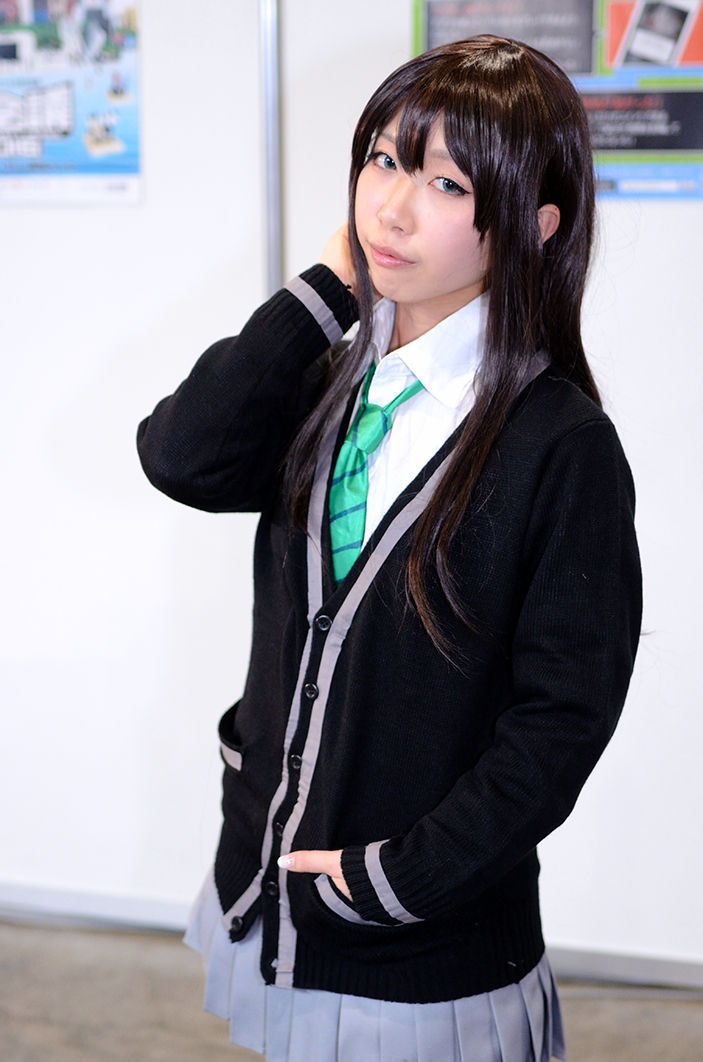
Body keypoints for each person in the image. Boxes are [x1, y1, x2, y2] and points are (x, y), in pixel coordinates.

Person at [137, 35, 642, 1062]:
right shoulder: (330, 380)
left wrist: (401, 880)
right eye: (381, 161)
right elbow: (181, 457)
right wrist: (328, 291)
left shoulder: (560, 445)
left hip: (421, 941)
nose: (391, 209)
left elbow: (563, 721)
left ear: (534, 223)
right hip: (271, 891)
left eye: (445, 183)